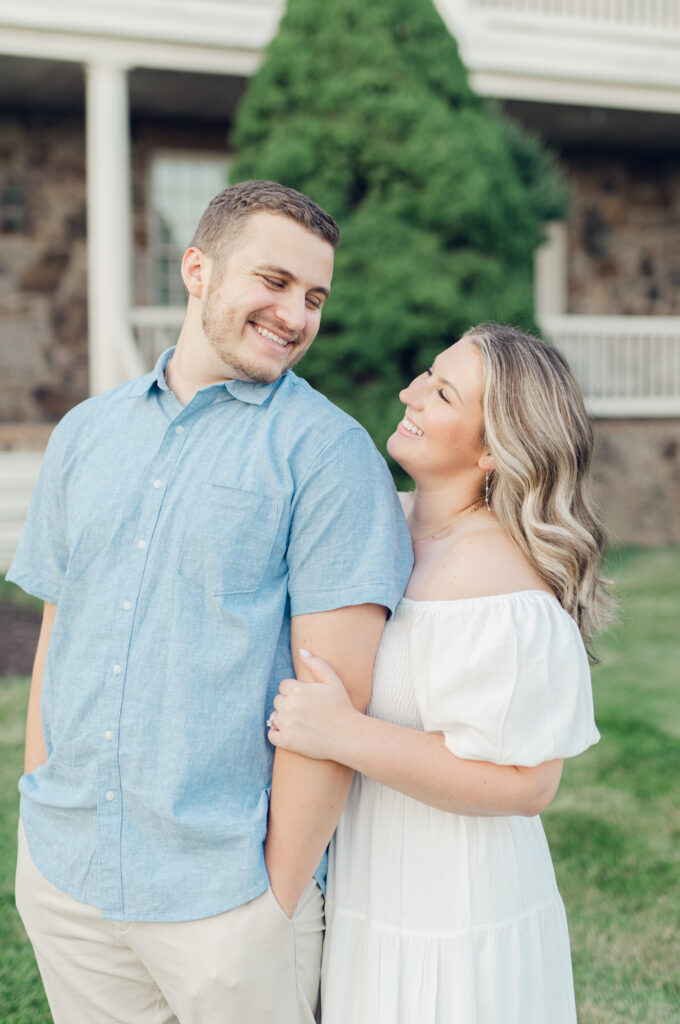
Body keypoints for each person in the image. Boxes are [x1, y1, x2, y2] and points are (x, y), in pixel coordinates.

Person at [8, 180, 412, 1024]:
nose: (294, 315)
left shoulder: (328, 455)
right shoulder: (87, 432)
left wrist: (270, 903)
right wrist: (36, 803)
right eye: (272, 282)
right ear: (197, 270)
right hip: (68, 873)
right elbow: (60, 630)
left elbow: (332, 700)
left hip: (226, 903)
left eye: (313, 297)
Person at [267, 322, 614, 1023]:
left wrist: (343, 734)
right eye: (426, 375)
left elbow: (528, 784)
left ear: (491, 449)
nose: (409, 393)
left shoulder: (498, 583)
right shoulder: (380, 521)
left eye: (441, 391)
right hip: (369, 884)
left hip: (454, 907)